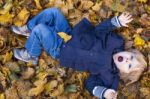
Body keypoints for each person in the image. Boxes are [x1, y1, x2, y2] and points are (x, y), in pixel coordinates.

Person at [11, 7, 147, 99]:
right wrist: (116, 22)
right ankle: (29, 28)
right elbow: (99, 30)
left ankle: (31, 54)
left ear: (123, 73)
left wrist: (104, 92)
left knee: (41, 30)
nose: (128, 60)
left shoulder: (109, 75)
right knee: (53, 12)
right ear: (128, 51)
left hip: (62, 50)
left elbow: (90, 83)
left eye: (129, 65)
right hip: (71, 34)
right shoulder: (115, 42)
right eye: (131, 57)